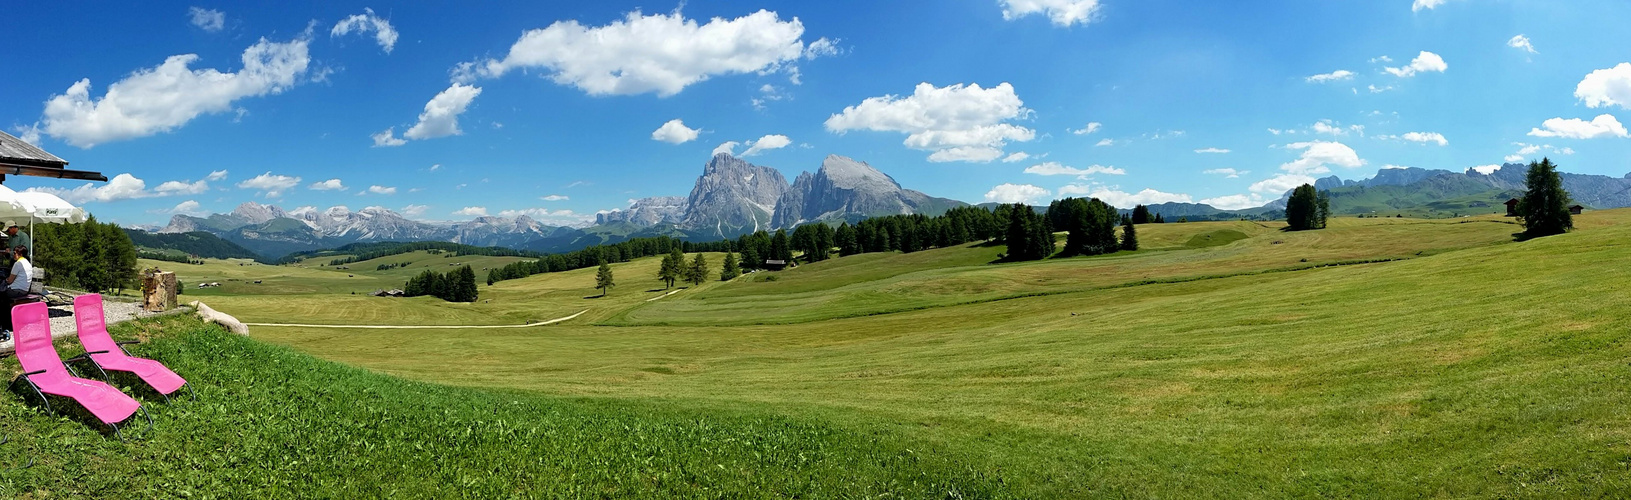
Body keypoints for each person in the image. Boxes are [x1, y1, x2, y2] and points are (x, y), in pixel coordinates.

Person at [1, 244, 33, 336]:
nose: (13, 254)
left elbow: (10, 281)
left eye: (14, 253)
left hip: (16, 291)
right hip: (24, 290)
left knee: (2, 296)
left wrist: (5, 280)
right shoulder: (27, 263)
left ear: (19, 254)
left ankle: (6, 323)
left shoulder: (18, 264)